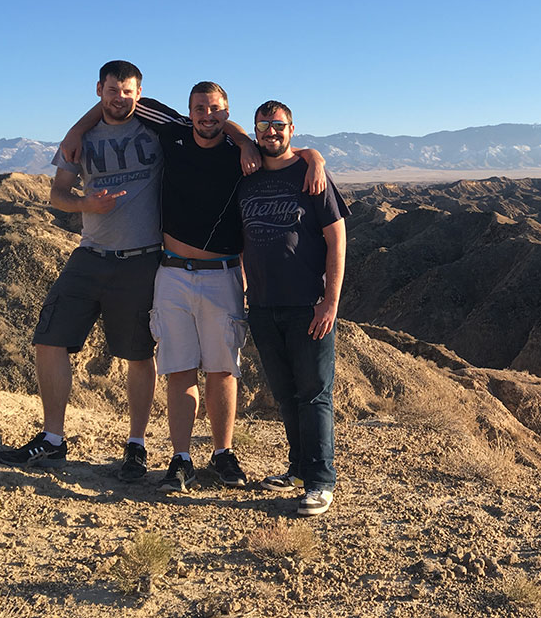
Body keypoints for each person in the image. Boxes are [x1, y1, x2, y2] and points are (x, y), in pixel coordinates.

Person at [62, 82, 325, 492]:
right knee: (178, 368)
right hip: (172, 273)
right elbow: (118, 103)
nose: (207, 115)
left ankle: (223, 454)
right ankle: (180, 458)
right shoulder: (173, 133)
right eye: (200, 108)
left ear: (226, 112)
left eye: (215, 109)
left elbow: (287, 154)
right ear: (188, 112)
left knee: (223, 369)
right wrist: (77, 131)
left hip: (222, 275)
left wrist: (312, 155)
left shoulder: (244, 155)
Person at [0, 60, 161, 479]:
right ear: (99, 90)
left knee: (139, 354)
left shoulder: (159, 129)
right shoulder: (81, 140)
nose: (119, 97)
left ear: (139, 93)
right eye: (111, 90)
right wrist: (87, 204)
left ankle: (136, 445)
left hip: (142, 260)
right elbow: (56, 195)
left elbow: (209, 121)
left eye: (127, 91)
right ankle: (53, 439)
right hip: (89, 255)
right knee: (49, 339)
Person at [237, 100, 348, 516]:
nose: (271, 132)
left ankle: (321, 481)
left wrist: (330, 302)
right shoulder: (244, 178)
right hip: (263, 306)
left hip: (308, 306)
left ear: (291, 129)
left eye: (278, 125)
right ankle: (299, 470)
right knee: (285, 394)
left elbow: (337, 238)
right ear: (255, 130)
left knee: (314, 393)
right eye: (263, 125)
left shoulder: (310, 174)